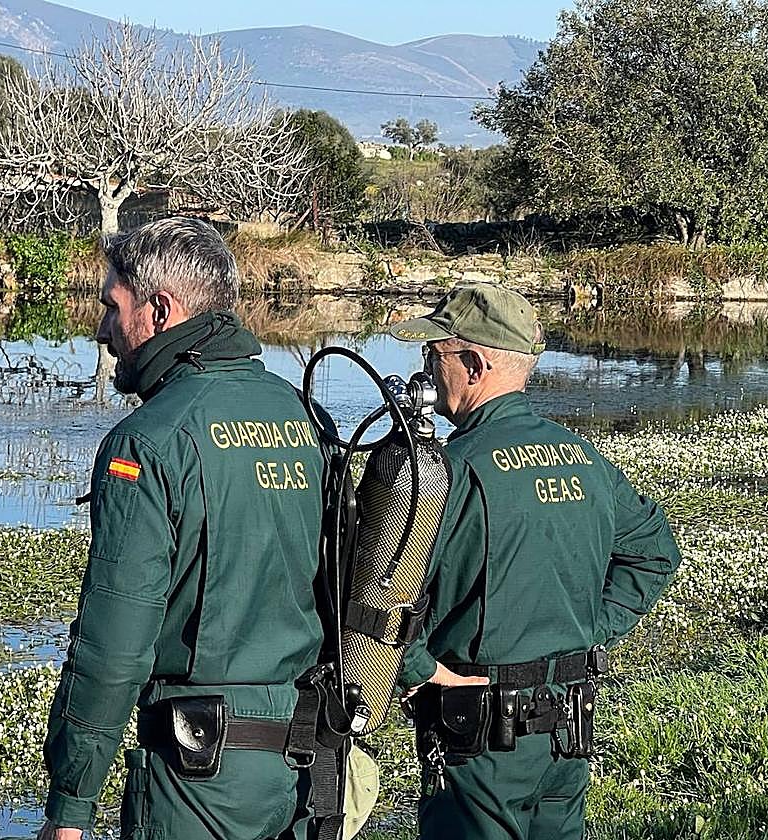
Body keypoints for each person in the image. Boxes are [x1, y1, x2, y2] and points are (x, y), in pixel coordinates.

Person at [39, 217, 331, 840]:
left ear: (161, 310)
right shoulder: (307, 418)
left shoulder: (147, 441)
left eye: (113, 306)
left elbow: (114, 645)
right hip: (305, 772)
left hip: (193, 778)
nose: (104, 330)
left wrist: (70, 804)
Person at [388, 283, 682, 840]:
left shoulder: (445, 472)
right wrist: (590, 630)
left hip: (476, 738)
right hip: (567, 731)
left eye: (433, 355)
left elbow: (378, 617)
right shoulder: (584, 458)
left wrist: (424, 671)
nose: (425, 372)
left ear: (473, 364)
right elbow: (653, 553)